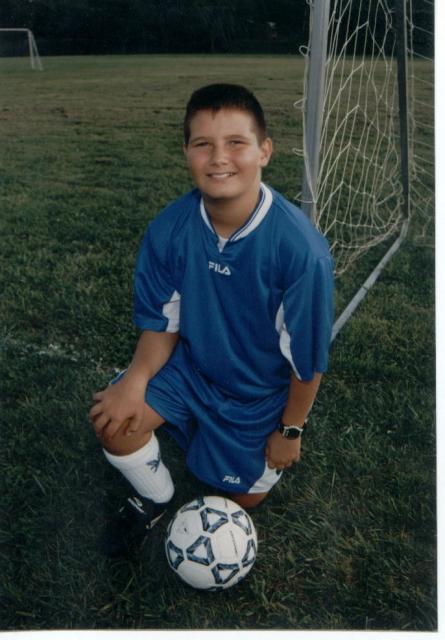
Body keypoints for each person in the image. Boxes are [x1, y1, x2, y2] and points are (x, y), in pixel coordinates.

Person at [89, 83, 334, 557]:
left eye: (236, 143)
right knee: (113, 422)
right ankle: (155, 497)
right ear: (187, 152)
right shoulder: (171, 228)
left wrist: (290, 430)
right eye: (203, 144)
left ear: (264, 150)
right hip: (192, 369)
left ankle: (220, 440)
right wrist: (136, 380)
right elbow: (163, 321)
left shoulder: (301, 252)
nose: (219, 158)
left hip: (256, 394)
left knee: (243, 498)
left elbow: (307, 361)